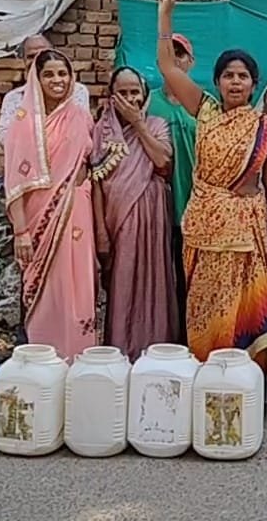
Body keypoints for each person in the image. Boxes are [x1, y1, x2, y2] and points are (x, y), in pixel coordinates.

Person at [156, 0, 267, 364]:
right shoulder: (206, 110)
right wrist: (165, 16)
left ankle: (243, 382)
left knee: (247, 306)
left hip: (248, 231)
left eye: (243, 76)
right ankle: (205, 376)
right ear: (216, 82)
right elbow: (167, 65)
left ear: (253, 85)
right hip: (204, 228)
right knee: (205, 306)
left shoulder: (266, 127)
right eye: (228, 75)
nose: (235, 81)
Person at [3, 50, 98, 361]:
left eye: (63, 74)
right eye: (49, 75)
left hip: (77, 214)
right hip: (37, 220)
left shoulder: (81, 116)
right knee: (46, 290)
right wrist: (21, 232)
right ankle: (43, 359)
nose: (58, 80)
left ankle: (79, 358)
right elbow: (16, 184)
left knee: (78, 286)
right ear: (37, 79)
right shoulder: (24, 122)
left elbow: (87, 165)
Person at [91, 66, 177, 358]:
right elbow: (97, 185)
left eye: (134, 92)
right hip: (116, 219)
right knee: (121, 284)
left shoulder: (156, 124)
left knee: (153, 283)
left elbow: (163, 162)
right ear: (112, 97)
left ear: (144, 96)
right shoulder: (101, 131)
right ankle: (120, 351)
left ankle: (154, 351)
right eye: (123, 93)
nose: (129, 99)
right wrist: (101, 231)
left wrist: (138, 125)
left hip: (150, 215)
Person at [146, 32, 198, 342]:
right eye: (169, 53)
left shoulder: (202, 105)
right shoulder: (148, 101)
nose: (175, 59)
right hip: (159, 206)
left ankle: (193, 344)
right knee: (163, 280)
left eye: (181, 54)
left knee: (193, 280)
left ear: (190, 62)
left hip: (196, 206)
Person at [0, 34, 90, 144]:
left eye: (43, 54)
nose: (37, 60)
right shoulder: (15, 98)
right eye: (31, 56)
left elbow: (80, 133)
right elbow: (6, 139)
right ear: (23, 61)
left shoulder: (77, 92)